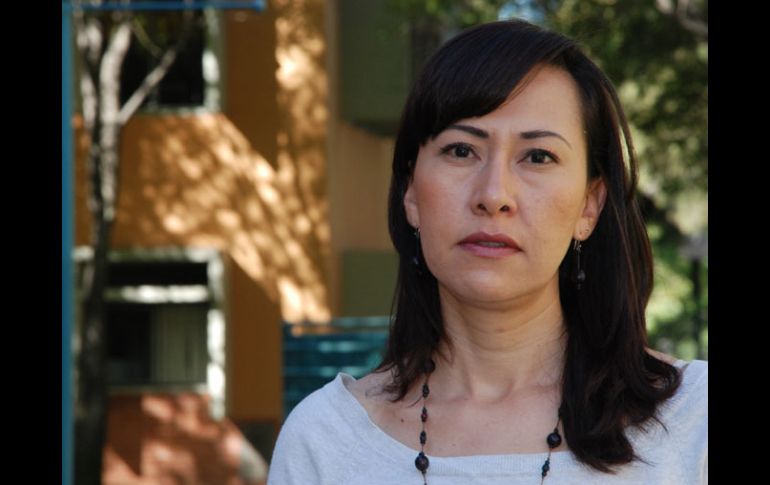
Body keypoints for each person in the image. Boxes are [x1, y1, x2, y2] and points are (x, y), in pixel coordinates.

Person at [267, 18, 707, 485]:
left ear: (588, 205)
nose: (494, 194)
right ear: (411, 192)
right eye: (461, 151)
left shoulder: (693, 422)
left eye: (538, 157)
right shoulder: (326, 441)